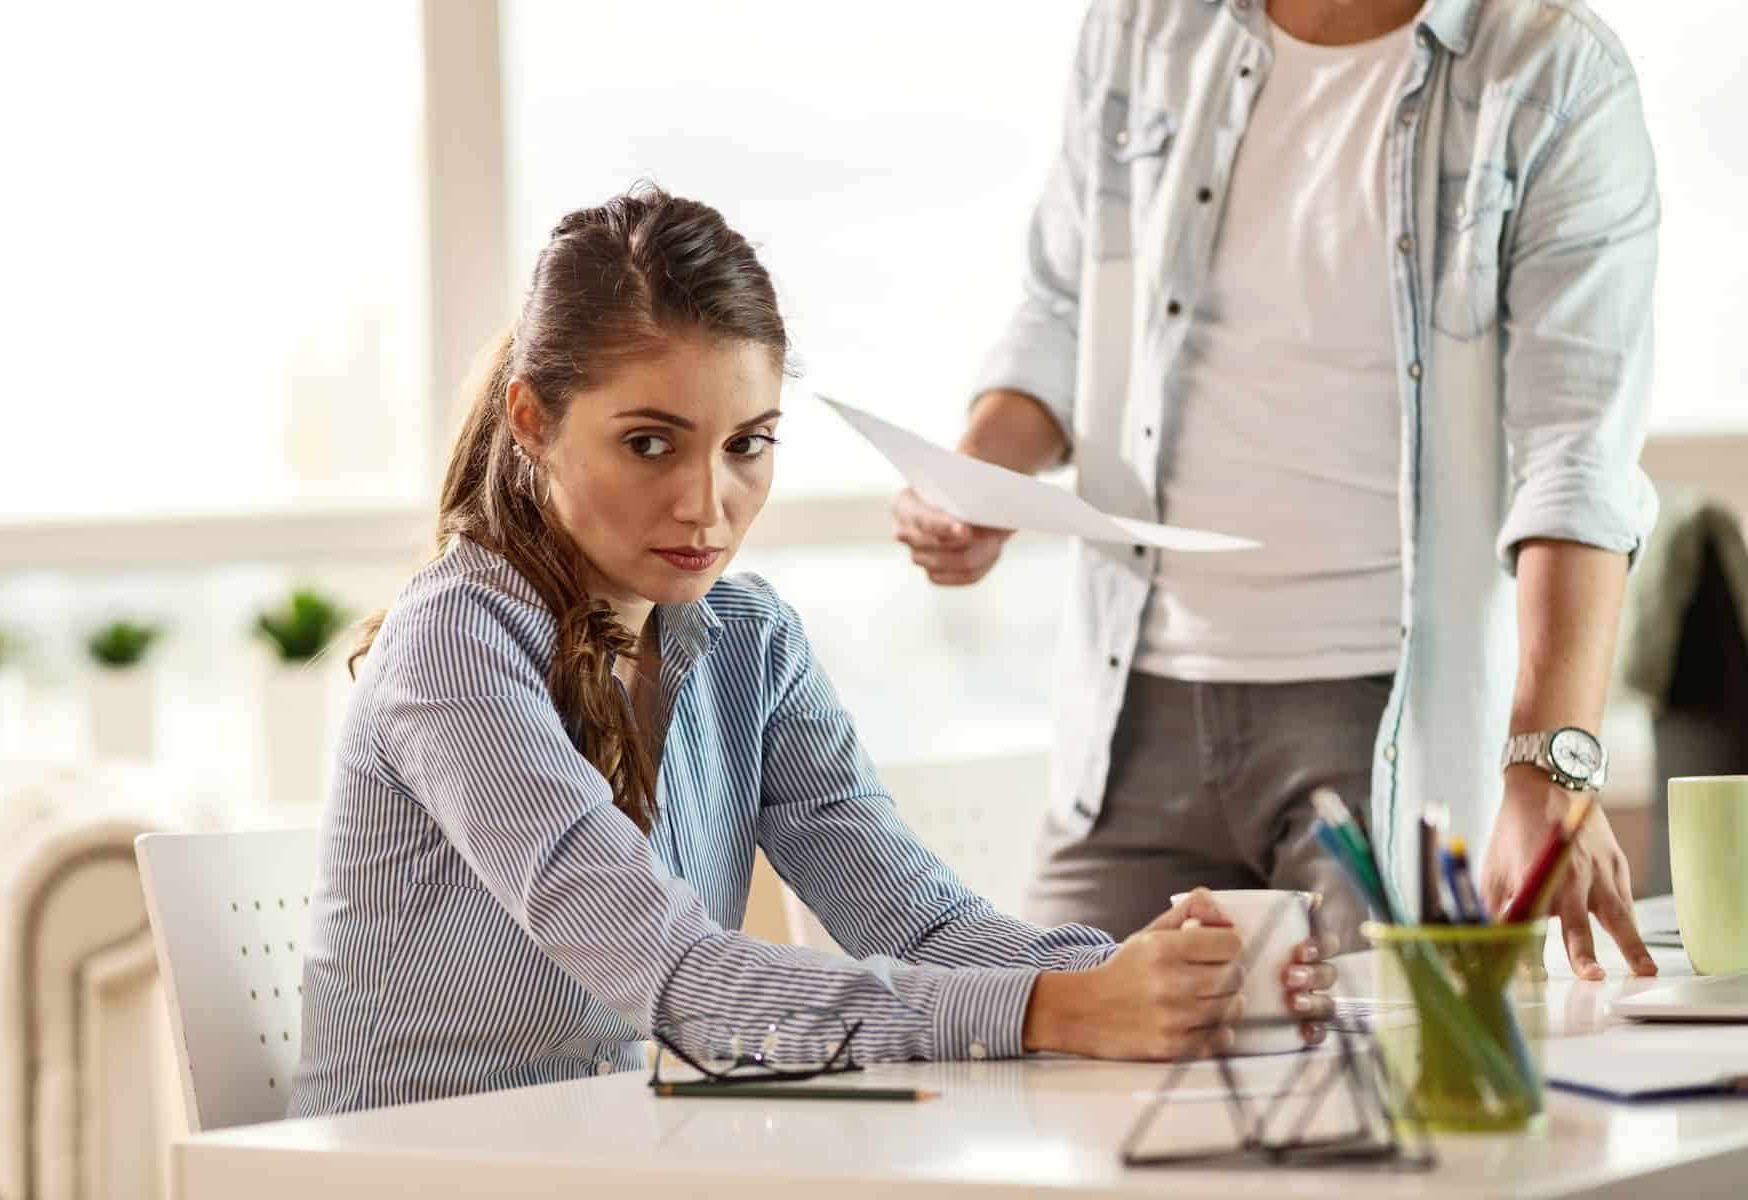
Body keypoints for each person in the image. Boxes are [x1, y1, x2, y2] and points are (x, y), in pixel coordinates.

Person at [287, 187, 1335, 1116]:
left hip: (618, 1155)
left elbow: (921, 924)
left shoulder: (748, 641)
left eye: (748, 444)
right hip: (420, 1169)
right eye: (649, 443)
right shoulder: (455, 647)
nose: (709, 505)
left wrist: (1160, 976)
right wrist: (1061, 1007)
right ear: (533, 420)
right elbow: (683, 983)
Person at [893, 0, 1660, 979]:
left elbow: (1577, 448)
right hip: (1131, 715)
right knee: (1067, 1078)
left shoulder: (1553, 71)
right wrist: (977, 479)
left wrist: (1549, 765)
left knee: (1364, 1096)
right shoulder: (1143, 26)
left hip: (1385, 727)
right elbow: (1065, 310)